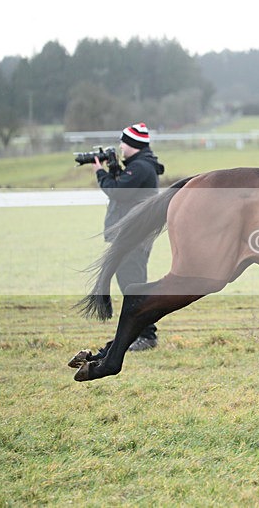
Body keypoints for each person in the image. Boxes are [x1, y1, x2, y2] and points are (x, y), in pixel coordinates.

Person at [92, 122, 165, 351]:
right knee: (130, 285)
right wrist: (114, 171)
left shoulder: (142, 167)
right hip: (130, 235)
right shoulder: (139, 166)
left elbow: (117, 191)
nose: (121, 146)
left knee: (134, 285)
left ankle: (147, 336)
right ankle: (138, 335)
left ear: (133, 144)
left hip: (135, 236)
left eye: (124, 142)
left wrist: (100, 173)